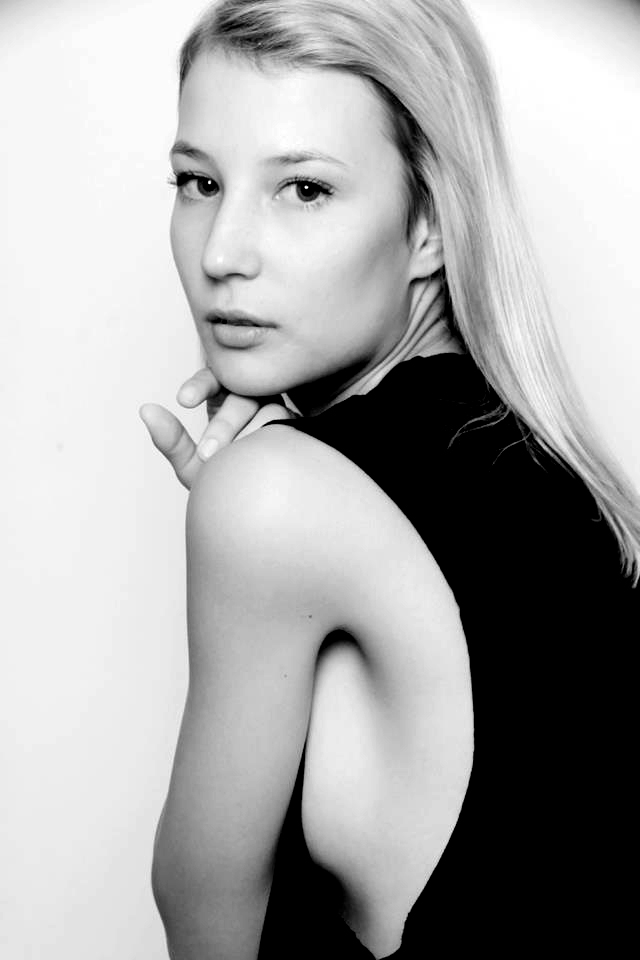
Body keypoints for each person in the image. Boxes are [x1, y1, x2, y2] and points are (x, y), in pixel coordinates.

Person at [139, 1, 640, 957]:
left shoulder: (279, 502)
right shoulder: (557, 488)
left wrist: (256, 514)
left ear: (430, 225)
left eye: (304, 190)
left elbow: (204, 932)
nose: (221, 254)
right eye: (199, 181)